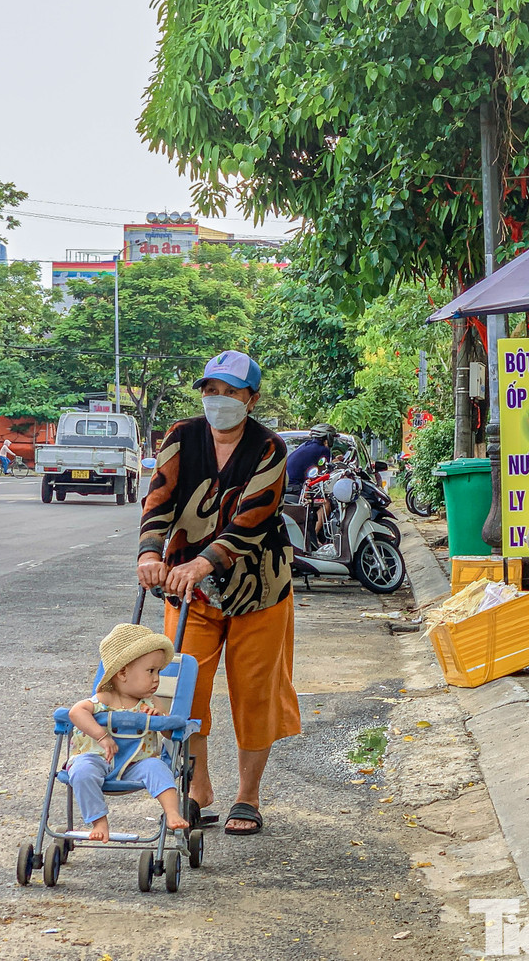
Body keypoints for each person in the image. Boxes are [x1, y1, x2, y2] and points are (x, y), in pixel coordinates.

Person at [136, 350, 299, 836]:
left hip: (259, 587)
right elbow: (158, 499)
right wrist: (150, 553)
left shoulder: (270, 448)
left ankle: (247, 796)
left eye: (231, 393)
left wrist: (205, 559)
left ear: (251, 399)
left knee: (255, 693)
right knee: (181, 689)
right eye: (212, 391)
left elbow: (255, 516)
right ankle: (198, 788)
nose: (220, 401)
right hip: (189, 591)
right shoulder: (181, 437)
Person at [65, 623, 190, 842]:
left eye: (158, 672)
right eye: (151, 671)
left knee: (159, 768)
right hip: (97, 759)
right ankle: (99, 820)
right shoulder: (103, 700)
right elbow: (76, 712)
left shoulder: (151, 702)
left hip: (137, 764)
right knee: (81, 771)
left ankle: (171, 813)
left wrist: (159, 719)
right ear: (122, 672)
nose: (156, 679)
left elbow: (171, 733)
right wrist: (102, 736)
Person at [285, 423, 337, 546]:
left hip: (288, 486)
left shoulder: (306, 446)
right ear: (327, 437)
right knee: (326, 503)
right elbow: (330, 467)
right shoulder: (322, 450)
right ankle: (312, 538)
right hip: (295, 489)